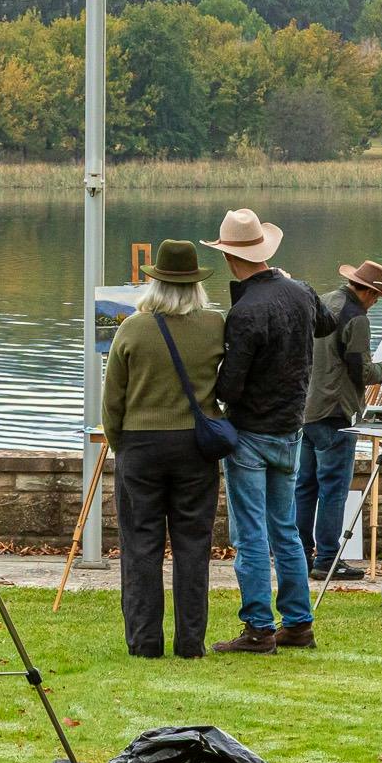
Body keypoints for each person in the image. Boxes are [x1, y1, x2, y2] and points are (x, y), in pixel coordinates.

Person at [99, 240, 225, 659]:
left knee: (141, 546)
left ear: (155, 282)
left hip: (140, 446)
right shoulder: (214, 325)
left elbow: (111, 399)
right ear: (196, 285)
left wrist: (121, 444)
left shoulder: (132, 328)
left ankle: (144, 641)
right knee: (193, 546)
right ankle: (191, 642)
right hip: (195, 446)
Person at [206, 208, 324, 653]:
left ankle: (258, 628)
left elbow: (230, 387)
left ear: (229, 257)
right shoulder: (300, 293)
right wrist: (297, 284)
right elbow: (327, 324)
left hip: (251, 433)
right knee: (286, 529)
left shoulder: (245, 312)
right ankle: (298, 623)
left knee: (250, 534)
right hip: (291, 429)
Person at [298, 259, 382, 583]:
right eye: (377, 296)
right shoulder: (356, 318)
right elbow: (361, 371)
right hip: (336, 413)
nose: (376, 302)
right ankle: (327, 560)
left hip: (306, 410)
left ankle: (299, 555)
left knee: (305, 487)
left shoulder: (324, 301)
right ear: (368, 291)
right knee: (333, 491)